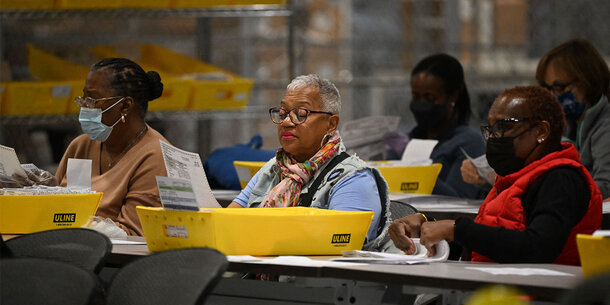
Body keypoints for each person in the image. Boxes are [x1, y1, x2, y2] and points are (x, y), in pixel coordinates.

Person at [389, 86, 602, 265]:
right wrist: (429, 230)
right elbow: (490, 245)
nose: (494, 138)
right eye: (491, 129)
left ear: (541, 132)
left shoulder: (562, 179)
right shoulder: (514, 179)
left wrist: (456, 230)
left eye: (505, 127)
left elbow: (538, 247)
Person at [227, 74, 391, 249]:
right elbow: (228, 222)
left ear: (331, 124)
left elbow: (341, 250)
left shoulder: (353, 179)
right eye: (282, 114)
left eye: (301, 114)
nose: (287, 122)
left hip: (311, 276)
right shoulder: (273, 169)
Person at [462, 39, 610, 200]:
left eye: (559, 87)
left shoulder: (605, 126)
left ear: (587, 81)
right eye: (546, 88)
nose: (552, 95)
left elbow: (604, 188)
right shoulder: (566, 123)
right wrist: (484, 174)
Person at [55, 58, 170, 236]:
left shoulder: (156, 157)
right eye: (83, 98)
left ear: (124, 106)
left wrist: (71, 226)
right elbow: (52, 207)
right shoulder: (81, 146)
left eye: (93, 99)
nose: (84, 107)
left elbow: (132, 234)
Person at [385, 54, 486, 199]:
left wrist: (412, 171)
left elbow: (459, 201)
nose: (421, 104)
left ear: (452, 97)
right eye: (416, 96)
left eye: (430, 98)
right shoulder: (407, 141)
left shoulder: (468, 143)